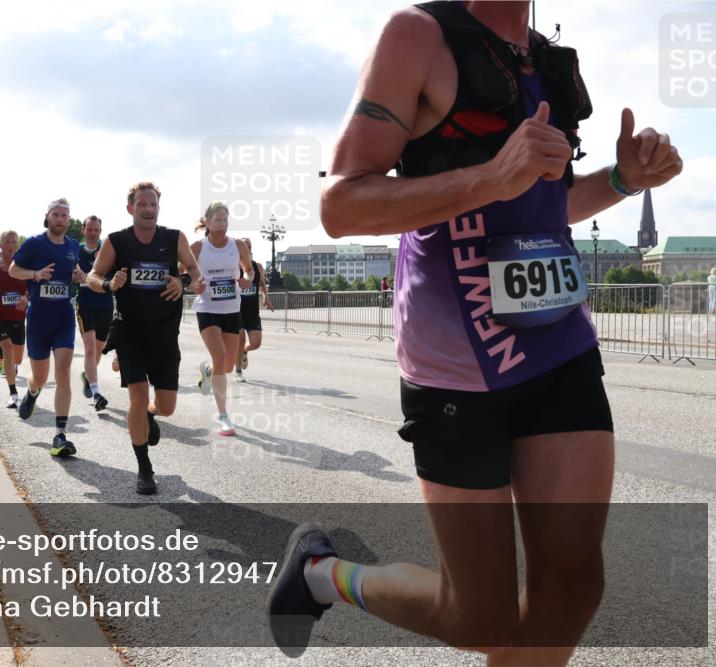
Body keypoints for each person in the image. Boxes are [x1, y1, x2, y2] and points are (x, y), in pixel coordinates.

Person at [266, 1, 683, 663]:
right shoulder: (418, 37)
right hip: (456, 359)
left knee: (573, 584)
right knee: (479, 616)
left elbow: (547, 203)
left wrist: (623, 180)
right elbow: (341, 203)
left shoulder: (543, 59)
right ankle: (322, 572)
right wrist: (491, 177)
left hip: (559, 343)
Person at [88, 182, 204, 495]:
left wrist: (183, 282)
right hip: (130, 331)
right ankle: (144, 468)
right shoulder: (116, 241)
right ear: (131, 208)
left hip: (165, 333)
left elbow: (194, 270)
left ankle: (150, 417)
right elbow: (92, 277)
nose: (148, 209)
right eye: (142, 205)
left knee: (165, 407)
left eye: (153, 205)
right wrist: (111, 282)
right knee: (137, 397)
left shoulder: (174, 238)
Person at [9, 198, 85, 458]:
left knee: (63, 371)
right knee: (40, 377)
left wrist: (79, 276)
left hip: (63, 316)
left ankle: (60, 434)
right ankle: (32, 391)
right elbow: (13, 269)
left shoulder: (74, 246)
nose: (61, 219)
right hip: (39, 319)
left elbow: (76, 271)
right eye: (56, 214)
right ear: (48, 217)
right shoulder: (34, 243)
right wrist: (35, 275)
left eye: (65, 215)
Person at [189, 202, 254, 436]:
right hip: (207, 308)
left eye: (225, 220)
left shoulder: (237, 246)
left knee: (225, 366)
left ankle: (208, 372)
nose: (222, 225)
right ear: (206, 222)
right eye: (217, 220)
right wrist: (194, 284)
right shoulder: (198, 246)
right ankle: (223, 416)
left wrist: (248, 278)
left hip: (231, 309)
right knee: (220, 356)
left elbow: (249, 269)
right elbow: (184, 271)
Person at [0, 231, 29, 409]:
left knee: (17, 357)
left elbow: (30, 289)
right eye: (7, 241)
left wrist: (26, 299)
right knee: (8, 351)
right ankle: (13, 393)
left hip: (18, 316)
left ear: (17, 246)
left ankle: (11, 366)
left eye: (14, 242)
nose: (11, 244)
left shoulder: (23, 267)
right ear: (0, 245)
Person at [76, 215, 114, 412]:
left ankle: (88, 377)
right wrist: (75, 277)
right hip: (85, 304)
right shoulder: (75, 251)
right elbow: (67, 274)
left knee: (98, 350)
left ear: (100, 231)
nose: (92, 233)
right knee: (90, 349)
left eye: (96, 230)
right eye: (89, 229)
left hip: (106, 305)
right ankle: (96, 392)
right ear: (83, 230)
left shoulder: (108, 250)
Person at [234, 237, 274, 382]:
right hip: (236, 310)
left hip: (252, 311)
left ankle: (245, 350)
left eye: (248, 246)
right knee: (240, 339)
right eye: (244, 245)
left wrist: (266, 298)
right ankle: (238, 371)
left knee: (256, 343)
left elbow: (262, 285)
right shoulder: (233, 267)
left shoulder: (258, 267)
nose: (246, 247)